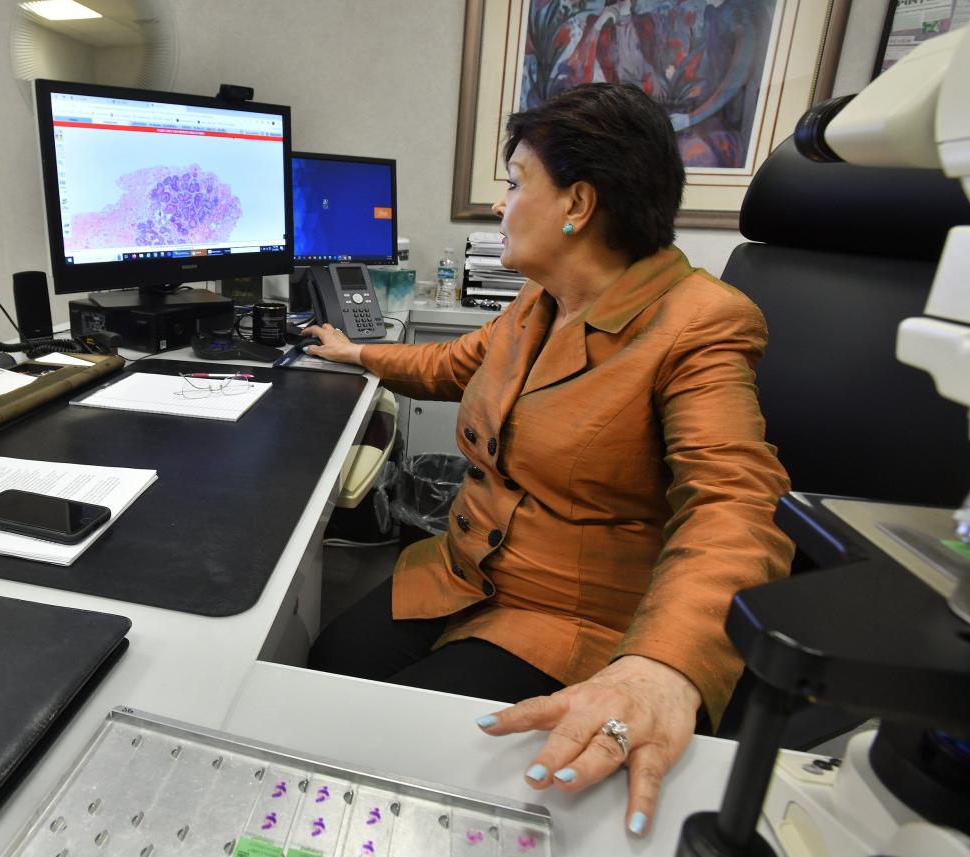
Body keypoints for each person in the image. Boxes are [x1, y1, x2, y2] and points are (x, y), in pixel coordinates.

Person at [305, 82, 793, 838]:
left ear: (577, 203)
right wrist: (354, 351)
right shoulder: (537, 303)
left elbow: (734, 502)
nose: (501, 205)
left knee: (434, 746)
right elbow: (448, 365)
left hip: (577, 617)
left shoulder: (701, 323)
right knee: (331, 662)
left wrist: (663, 667)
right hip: (465, 573)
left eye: (513, 183)